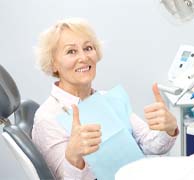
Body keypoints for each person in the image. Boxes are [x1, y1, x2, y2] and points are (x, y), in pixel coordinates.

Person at [32, 18, 179, 180]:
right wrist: (74, 157)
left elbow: (150, 143)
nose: (83, 57)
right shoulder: (47, 117)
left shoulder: (107, 99)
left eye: (88, 48)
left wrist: (168, 129)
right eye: (71, 51)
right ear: (53, 64)